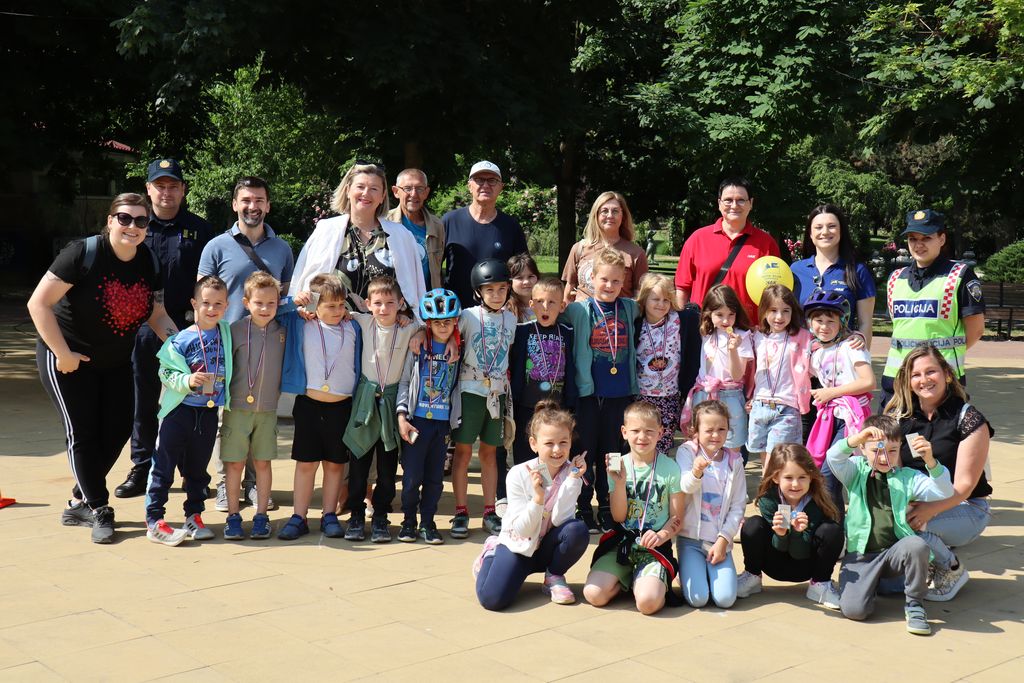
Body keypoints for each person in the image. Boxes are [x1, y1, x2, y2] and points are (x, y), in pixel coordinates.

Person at [29, 193, 177, 544]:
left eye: (141, 221)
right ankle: (99, 507)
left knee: (119, 427)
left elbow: (157, 314)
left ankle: (78, 500)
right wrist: (62, 352)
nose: (132, 226)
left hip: (115, 360)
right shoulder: (83, 253)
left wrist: (185, 348)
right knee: (82, 432)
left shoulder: (149, 261)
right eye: (124, 218)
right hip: (66, 357)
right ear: (110, 221)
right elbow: (39, 304)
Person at [117, 158, 214, 500]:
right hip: (143, 328)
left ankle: (191, 470)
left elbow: (208, 282)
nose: (167, 192)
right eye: (160, 186)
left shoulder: (201, 230)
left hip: (187, 330)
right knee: (143, 401)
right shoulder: (136, 227)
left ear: (183, 190)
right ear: (148, 189)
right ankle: (142, 467)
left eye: (173, 186)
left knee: (189, 401)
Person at [198, 176, 294, 512]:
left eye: (259, 200)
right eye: (246, 200)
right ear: (235, 204)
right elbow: (204, 296)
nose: (252, 206)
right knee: (227, 419)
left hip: (267, 346)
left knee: (261, 415)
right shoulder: (216, 246)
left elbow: (284, 298)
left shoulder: (282, 249)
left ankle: (255, 484)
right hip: (227, 345)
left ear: (268, 205)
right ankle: (226, 485)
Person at [825, 416, 954, 636]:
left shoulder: (908, 477)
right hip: (861, 557)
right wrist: (857, 438)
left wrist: (931, 461)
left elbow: (944, 491)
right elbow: (833, 457)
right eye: (877, 450)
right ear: (863, 449)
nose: (884, 457)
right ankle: (875, 584)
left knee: (916, 545)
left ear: (900, 449)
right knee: (855, 611)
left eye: (892, 451)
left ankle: (915, 604)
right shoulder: (855, 471)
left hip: (894, 554)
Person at [885, 345, 994, 602]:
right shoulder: (902, 417)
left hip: (966, 508)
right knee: (884, 519)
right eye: (916, 375)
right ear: (908, 382)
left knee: (906, 523)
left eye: (930, 371)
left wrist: (928, 511)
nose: (923, 380)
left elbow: (965, 487)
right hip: (919, 503)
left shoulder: (968, 419)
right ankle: (923, 560)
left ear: (946, 374)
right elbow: (895, 473)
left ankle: (951, 567)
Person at [475, 402, 590, 610]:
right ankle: (491, 552)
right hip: (518, 545)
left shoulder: (571, 473)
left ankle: (553, 575)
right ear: (534, 443)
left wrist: (573, 479)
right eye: (549, 443)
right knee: (492, 600)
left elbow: (560, 520)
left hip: (546, 547)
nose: (557, 450)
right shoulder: (518, 474)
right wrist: (538, 498)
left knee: (577, 530)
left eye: (563, 442)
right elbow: (523, 530)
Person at [145, 276, 231, 546]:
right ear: (194, 303)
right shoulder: (180, 339)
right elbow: (165, 371)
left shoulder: (227, 333)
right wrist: (187, 380)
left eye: (218, 303)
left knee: (198, 470)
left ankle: (194, 516)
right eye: (206, 303)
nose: (211, 309)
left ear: (227, 306)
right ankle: (154, 520)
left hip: (208, 413)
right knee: (163, 467)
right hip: (179, 413)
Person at [276, 274, 362, 541]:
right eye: (330, 306)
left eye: (341, 305)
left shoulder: (353, 326)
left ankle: (329, 514)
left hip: (342, 407)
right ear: (315, 305)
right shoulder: (302, 323)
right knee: (306, 463)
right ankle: (299, 516)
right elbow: (272, 311)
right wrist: (295, 301)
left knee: (335, 465)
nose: (338, 311)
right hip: (309, 406)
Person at [562, 249, 641, 533]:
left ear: (624, 282)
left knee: (612, 452)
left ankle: (608, 505)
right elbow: (552, 314)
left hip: (619, 393)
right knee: (584, 450)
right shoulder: (578, 310)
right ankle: (582, 505)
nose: (609, 285)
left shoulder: (630, 308)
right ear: (591, 278)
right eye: (604, 279)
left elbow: (659, 303)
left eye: (616, 281)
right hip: (588, 394)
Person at [583, 401, 684, 615]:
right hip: (622, 544)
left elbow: (677, 517)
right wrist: (619, 484)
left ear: (660, 433)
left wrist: (661, 535)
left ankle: (646, 582)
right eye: (635, 431)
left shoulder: (671, 468)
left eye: (649, 431)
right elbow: (618, 516)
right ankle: (628, 580)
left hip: (654, 548)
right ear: (624, 432)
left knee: (648, 604)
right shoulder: (618, 465)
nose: (642, 437)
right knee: (593, 594)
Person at [342, 276, 422, 543]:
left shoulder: (409, 328)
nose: (384, 308)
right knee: (359, 461)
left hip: (391, 400)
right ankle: (356, 514)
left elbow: (428, 328)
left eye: (390, 303)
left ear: (401, 303)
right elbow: (333, 309)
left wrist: (420, 331)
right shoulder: (363, 321)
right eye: (377, 303)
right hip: (366, 398)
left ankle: (380, 516)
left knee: (388, 466)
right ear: (368, 304)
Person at [290, 162, 426, 318]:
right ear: (348, 190)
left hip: (385, 330)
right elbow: (311, 282)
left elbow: (413, 291)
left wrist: (413, 321)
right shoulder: (326, 230)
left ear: (382, 196)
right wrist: (306, 308)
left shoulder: (401, 236)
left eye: (374, 189)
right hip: (335, 328)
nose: (366, 193)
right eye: (360, 187)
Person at [880, 209, 985, 409]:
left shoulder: (959, 276)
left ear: (941, 239)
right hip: (897, 380)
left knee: (939, 431)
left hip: (941, 382)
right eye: (912, 239)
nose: (918, 245)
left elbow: (976, 330)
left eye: (926, 238)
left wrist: (939, 359)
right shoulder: (896, 279)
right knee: (890, 430)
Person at [450, 259, 517, 538]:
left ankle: (490, 510)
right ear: (478, 291)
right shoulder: (467, 316)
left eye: (502, 289)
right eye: (489, 290)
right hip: (470, 391)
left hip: (496, 393)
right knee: (463, 451)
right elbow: (449, 336)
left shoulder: (511, 319)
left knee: (491, 452)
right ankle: (461, 511)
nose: (496, 294)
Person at [221, 271, 286, 540]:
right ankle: (233, 516)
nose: (265, 308)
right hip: (236, 409)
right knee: (234, 464)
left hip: (268, 410)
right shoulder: (234, 330)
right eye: (259, 303)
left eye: (271, 303)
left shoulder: (283, 331)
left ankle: (261, 516)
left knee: (263, 463)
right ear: (247, 303)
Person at [735, 443, 844, 602]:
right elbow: (781, 547)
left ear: (811, 477)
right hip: (774, 563)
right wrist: (781, 534)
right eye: (788, 477)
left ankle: (820, 584)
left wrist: (798, 533)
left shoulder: (817, 503)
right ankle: (752, 576)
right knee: (752, 524)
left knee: (832, 529)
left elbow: (799, 553)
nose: (795, 484)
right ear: (775, 477)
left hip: (806, 563)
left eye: (802, 477)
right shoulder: (768, 499)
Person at [396, 289, 462, 544]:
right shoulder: (417, 346)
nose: (442, 327)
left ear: (455, 322)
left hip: (442, 424)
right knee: (412, 477)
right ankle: (408, 521)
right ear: (428, 324)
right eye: (436, 322)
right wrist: (402, 415)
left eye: (448, 322)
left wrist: (455, 338)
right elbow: (404, 382)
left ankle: (427, 522)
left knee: (435, 479)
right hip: (417, 422)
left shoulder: (459, 348)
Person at [804, 289, 875, 520]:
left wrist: (830, 393)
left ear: (841, 322)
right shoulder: (816, 352)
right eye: (818, 320)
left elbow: (869, 382)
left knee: (831, 472)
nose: (824, 326)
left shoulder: (851, 347)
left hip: (850, 416)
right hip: (828, 417)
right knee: (821, 473)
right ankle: (833, 524)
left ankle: (837, 526)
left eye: (830, 321)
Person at [673, 177, 781, 324]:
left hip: (748, 330)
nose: (734, 205)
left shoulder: (766, 244)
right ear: (719, 203)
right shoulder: (697, 239)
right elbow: (682, 289)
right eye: (728, 200)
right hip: (704, 328)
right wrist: (681, 325)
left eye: (741, 200)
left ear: (751, 203)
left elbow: (775, 293)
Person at [676, 400, 748, 608]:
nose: (715, 435)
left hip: (717, 541)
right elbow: (685, 486)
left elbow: (738, 505)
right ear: (695, 431)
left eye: (721, 429)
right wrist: (696, 472)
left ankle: (704, 573)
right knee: (698, 599)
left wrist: (724, 540)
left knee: (725, 599)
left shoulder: (735, 461)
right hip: (690, 540)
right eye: (709, 430)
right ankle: (689, 571)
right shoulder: (687, 452)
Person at [509, 277, 577, 467]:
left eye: (552, 302)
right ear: (531, 305)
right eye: (539, 301)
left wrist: (571, 402)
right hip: (527, 406)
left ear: (562, 306)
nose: (545, 307)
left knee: (554, 454)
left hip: (557, 406)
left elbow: (571, 366)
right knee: (525, 455)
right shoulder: (522, 331)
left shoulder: (567, 332)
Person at [442, 161, 528, 308]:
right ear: (470, 186)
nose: (486, 185)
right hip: (455, 311)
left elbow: (523, 271)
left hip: (498, 311)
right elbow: (433, 266)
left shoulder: (511, 226)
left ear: (501, 187)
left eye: (492, 180)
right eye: (479, 180)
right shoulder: (449, 221)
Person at [746, 285, 813, 472]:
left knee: (775, 461)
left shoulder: (803, 337)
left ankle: (769, 489)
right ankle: (769, 489)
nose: (779, 317)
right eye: (773, 310)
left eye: (785, 311)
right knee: (765, 461)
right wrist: (750, 396)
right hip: (759, 406)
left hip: (786, 407)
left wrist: (855, 336)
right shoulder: (756, 336)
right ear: (764, 311)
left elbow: (829, 339)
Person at [679, 284, 753, 453]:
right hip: (703, 395)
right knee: (701, 447)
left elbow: (737, 375)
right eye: (719, 315)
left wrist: (733, 350)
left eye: (731, 314)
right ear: (708, 313)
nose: (726, 321)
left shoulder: (742, 336)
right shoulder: (705, 332)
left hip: (730, 396)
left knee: (731, 451)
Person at [633, 273, 700, 456]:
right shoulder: (636, 323)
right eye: (655, 299)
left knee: (663, 443)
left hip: (670, 396)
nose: (661, 304)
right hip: (642, 396)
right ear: (644, 299)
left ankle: (660, 473)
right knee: (641, 443)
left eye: (666, 300)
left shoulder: (680, 321)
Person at [792, 204, 876, 344]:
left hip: (840, 354)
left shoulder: (858, 270)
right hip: (801, 353)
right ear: (810, 234)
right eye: (818, 227)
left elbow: (865, 323)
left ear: (841, 231)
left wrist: (862, 353)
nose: (825, 232)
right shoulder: (795, 270)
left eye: (831, 226)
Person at [562, 191, 649, 303]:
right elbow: (569, 289)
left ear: (623, 216)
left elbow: (641, 296)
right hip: (581, 313)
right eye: (604, 211)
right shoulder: (579, 249)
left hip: (618, 313)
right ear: (596, 215)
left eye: (615, 211)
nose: (610, 215)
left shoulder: (636, 253)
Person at [387, 168, 445, 289]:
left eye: (419, 189)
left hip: (428, 298)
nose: (414, 194)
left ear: (426, 192)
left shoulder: (437, 226)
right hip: (395, 297)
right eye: (407, 188)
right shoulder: (385, 223)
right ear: (396, 191)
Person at [507, 252, 540, 323]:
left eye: (530, 276)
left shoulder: (545, 305)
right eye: (519, 278)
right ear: (509, 282)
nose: (526, 282)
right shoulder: (506, 311)